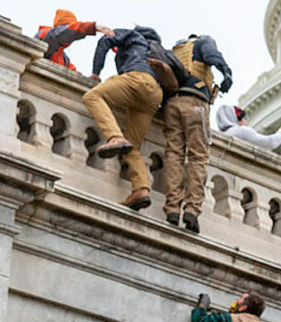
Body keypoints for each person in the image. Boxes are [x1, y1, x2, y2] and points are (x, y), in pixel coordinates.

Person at [83, 27, 163, 212]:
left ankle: (114, 137)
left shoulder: (133, 35)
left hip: (137, 78)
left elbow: (105, 41)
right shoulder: (161, 53)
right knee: (132, 146)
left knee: (92, 97)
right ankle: (141, 189)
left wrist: (96, 72)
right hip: (154, 96)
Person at [162, 35, 234, 234]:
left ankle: (173, 208)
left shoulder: (175, 49)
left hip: (171, 104)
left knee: (174, 154)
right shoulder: (203, 42)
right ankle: (192, 211)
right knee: (198, 157)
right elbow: (213, 56)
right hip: (195, 103)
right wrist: (226, 73)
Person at [35, 10, 114, 71]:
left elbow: (72, 71)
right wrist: (92, 27)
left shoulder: (63, 58)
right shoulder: (46, 37)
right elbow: (62, 33)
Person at [216, 106, 281, 150]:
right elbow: (269, 143)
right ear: (238, 119)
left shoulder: (221, 135)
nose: (246, 123)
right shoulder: (241, 131)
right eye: (245, 118)